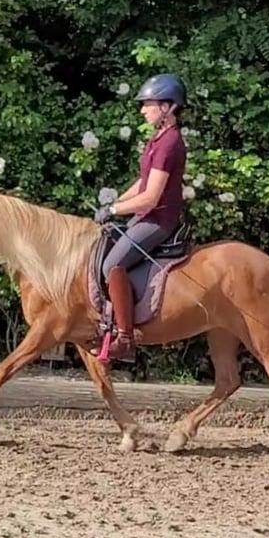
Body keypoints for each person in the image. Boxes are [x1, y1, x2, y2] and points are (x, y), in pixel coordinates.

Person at [92, 73, 188, 362]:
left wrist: (114, 211)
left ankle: (125, 339)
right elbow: (143, 182)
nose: (142, 109)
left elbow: (151, 197)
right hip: (144, 216)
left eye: (148, 104)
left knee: (113, 264)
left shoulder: (170, 143)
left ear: (168, 107)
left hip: (157, 220)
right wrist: (117, 200)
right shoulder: (157, 139)